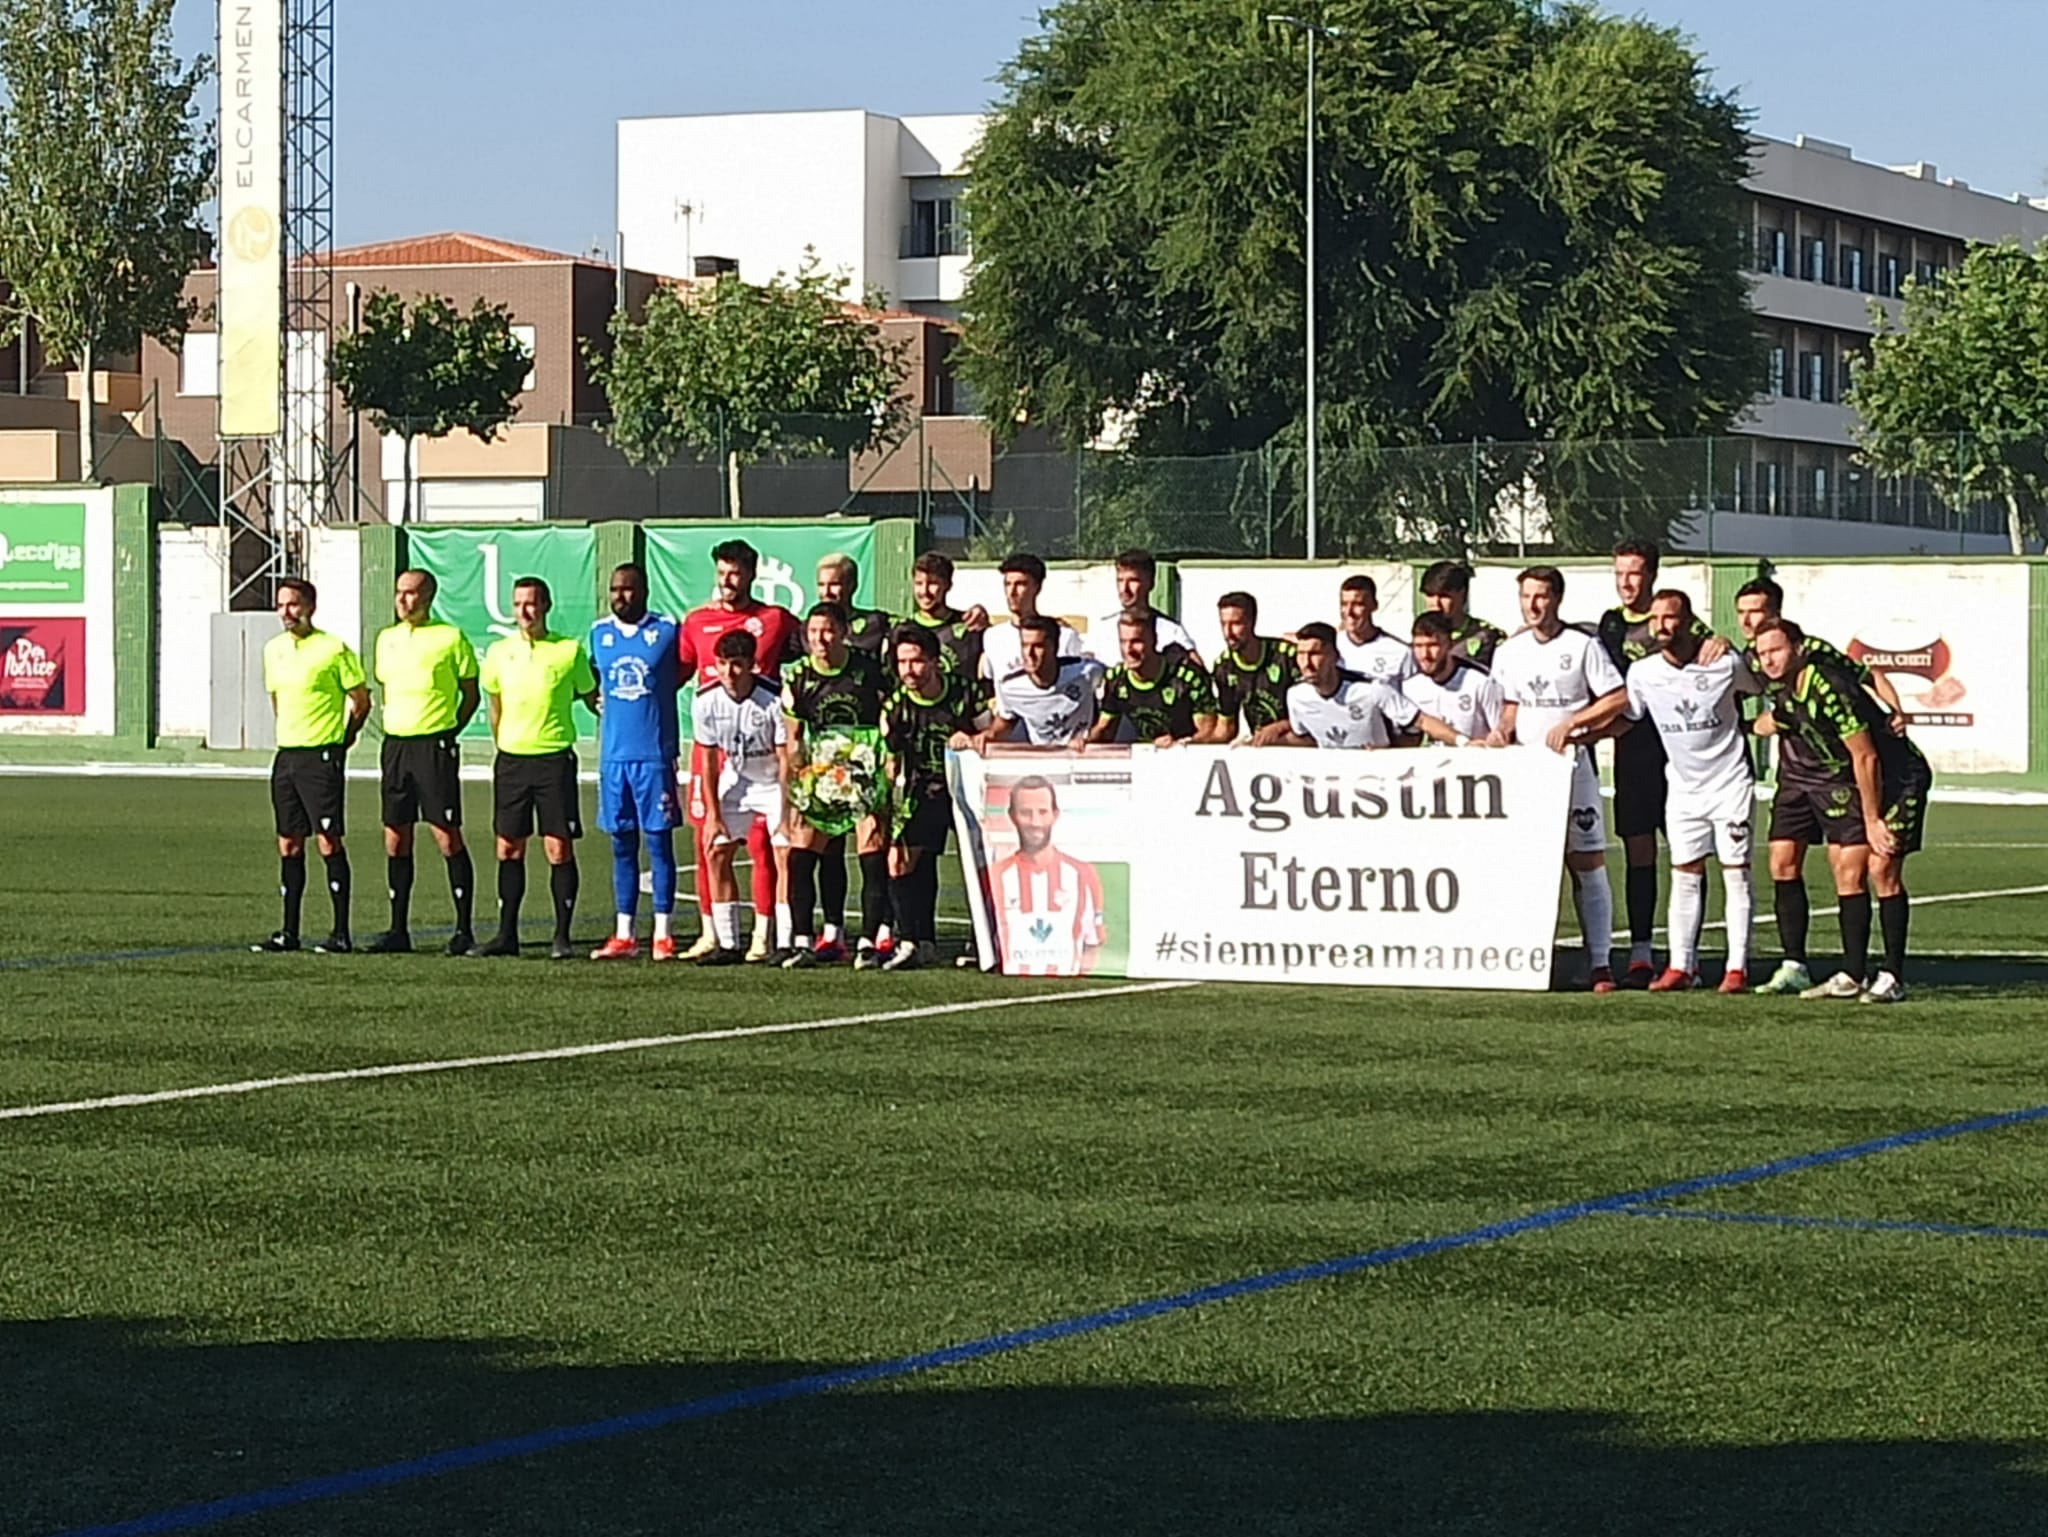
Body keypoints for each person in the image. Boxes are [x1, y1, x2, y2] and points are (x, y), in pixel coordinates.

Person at [1733, 576, 1909, 995]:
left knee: (1858, 869)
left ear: (1778, 616)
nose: (1747, 620)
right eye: (1741, 613)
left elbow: (1869, 680)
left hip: (1840, 774)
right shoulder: (1750, 658)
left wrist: (1896, 710)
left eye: (1755, 612)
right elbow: (1774, 713)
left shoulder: (1819, 664)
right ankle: (1795, 963)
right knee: (1781, 862)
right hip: (1795, 776)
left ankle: (1865, 971)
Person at [1606, 590, 1762, 994]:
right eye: (1655, 618)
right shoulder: (1643, 672)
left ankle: (1736, 968)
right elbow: (1629, 717)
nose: (1660, 625)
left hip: (1730, 783)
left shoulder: (1725, 664)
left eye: (1669, 618)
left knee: (1735, 874)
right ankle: (1681, 965)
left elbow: (1761, 687)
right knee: (1685, 874)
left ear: (1689, 621)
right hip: (1682, 788)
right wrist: (1581, 733)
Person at [1596, 538, 1729, 986]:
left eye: (1633, 573)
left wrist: (1722, 641)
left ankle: (1685, 956)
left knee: (1688, 855)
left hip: (1680, 756)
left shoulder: (1678, 623)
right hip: (1632, 753)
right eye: (1619, 574)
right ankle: (1639, 951)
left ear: (1652, 574)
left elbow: (1714, 652)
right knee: (1638, 853)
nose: (1625, 582)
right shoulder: (1611, 625)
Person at [1491, 566, 1628, 992]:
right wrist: (1501, 732)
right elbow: (1511, 703)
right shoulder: (1510, 651)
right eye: (1526, 596)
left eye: (1541, 596)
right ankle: (1531, 957)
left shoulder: (1582, 646)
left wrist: (1574, 723)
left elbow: (1618, 697)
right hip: (1526, 771)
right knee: (1528, 864)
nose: (1532, 605)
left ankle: (1601, 962)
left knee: (1586, 862)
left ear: (1557, 599)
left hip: (1573, 770)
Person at [677, 539, 803, 961]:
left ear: (751, 574)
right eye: (721, 572)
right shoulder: (696, 623)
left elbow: (822, 641)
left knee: (778, 850)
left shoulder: (776, 619)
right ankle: (721, 938)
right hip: (727, 759)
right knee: (711, 844)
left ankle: (776, 937)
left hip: (770, 756)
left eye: (735, 573)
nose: (727, 581)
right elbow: (675, 671)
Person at [475, 577, 596, 960]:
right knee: (508, 847)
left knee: (557, 848)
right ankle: (506, 934)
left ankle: (562, 936)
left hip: (553, 761)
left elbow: (592, 695)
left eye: (531, 603)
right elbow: (494, 706)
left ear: (546, 605)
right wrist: (504, 745)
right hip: (512, 761)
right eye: (517, 604)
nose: (524, 611)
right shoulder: (498, 653)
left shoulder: (568, 651)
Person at [365, 569, 479, 955]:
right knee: (396, 836)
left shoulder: (450, 638)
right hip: (396, 747)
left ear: (427, 596)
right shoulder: (386, 640)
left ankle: (464, 928)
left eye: (411, 593)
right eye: (399, 593)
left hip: (434, 747)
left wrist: (449, 731)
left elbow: (471, 692)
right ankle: (398, 929)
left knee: (446, 834)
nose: (403, 600)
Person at [255, 576, 369, 953]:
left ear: (310, 607)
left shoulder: (333, 649)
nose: (286, 612)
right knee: (288, 843)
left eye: (293, 604)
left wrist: (344, 738)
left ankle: (340, 933)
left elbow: (360, 699)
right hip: (287, 756)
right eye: (281, 604)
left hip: (321, 756)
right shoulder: (273, 649)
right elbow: (277, 699)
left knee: (328, 840)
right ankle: (289, 931)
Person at [781, 601, 889, 968]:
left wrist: (886, 771)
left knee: (871, 850)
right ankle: (801, 941)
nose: (820, 639)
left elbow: (888, 718)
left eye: (827, 631)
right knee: (801, 853)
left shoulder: (868, 669)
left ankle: (869, 942)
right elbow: (794, 739)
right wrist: (796, 793)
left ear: (843, 632)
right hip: (823, 775)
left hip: (864, 769)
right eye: (813, 632)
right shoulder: (798, 677)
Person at [588, 563, 684, 963]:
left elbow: (684, 669)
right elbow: (591, 681)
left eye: (627, 589)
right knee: (621, 845)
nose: (620, 596)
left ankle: (663, 931)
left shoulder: (667, 630)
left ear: (643, 591)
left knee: (659, 844)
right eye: (614, 590)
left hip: (654, 758)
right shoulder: (598, 634)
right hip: (614, 759)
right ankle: (624, 932)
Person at [883, 624, 987, 972]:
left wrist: (974, 738)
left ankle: (984, 938)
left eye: (916, 661)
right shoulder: (896, 706)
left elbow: (998, 728)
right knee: (902, 861)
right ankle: (914, 940)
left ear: (934, 662)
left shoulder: (965, 693)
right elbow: (891, 758)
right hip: (922, 789)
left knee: (981, 860)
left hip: (968, 790)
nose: (909, 670)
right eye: (902, 662)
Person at [690, 629, 797, 966]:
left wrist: (786, 805)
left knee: (785, 857)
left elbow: (785, 759)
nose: (729, 673)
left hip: (773, 784)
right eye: (722, 664)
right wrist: (713, 813)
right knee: (716, 851)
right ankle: (728, 942)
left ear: (753, 665)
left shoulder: (775, 700)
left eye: (737, 665)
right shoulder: (706, 700)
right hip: (737, 783)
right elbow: (707, 760)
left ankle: (783, 941)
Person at [985, 775, 1106, 977]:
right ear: (1012, 816)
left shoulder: (1083, 873)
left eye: (1042, 812)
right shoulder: (995, 876)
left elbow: (1093, 942)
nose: (1035, 822)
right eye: (1026, 813)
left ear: (1055, 815)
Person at [1278, 621, 1464, 749]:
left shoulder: (1372, 689)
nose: (1306, 663)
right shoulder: (1296, 695)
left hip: (1377, 781)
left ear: (1335, 656)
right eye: (1301, 654)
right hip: (1333, 787)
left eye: (1314, 654)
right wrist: (1263, 743)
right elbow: (1306, 740)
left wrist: (1463, 742)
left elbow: (1421, 721)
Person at [1089, 609, 1219, 745]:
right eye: (1123, 642)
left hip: (1187, 759)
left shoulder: (1187, 679)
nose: (1128, 650)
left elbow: (1209, 733)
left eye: (1136, 642)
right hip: (1143, 760)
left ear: (1154, 640)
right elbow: (1104, 730)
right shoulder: (1116, 679)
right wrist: (1084, 740)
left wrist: (1178, 743)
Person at [981, 614, 1105, 747]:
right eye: (1025, 645)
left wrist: (1093, 735)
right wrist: (981, 738)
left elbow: (1112, 693)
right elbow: (1005, 722)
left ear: (1054, 647)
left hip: (1085, 757)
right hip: (1043, 758)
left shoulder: (1085, 672)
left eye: (1038, 646)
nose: (1030, 653)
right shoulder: (1010, 686)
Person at [1402, 610, 1507, 744]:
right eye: (1418, 646)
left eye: (1433, 645)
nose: (1425, 655)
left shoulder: (1480, 682)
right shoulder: (1411, 688)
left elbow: (1500, 735)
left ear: (1450, 645)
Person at [981, 551, 1084, 682]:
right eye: (1007, 584)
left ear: (1037, 587)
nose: (1012, 592)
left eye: (1020, 584)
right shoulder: (993, 637)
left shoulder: (1064, 636)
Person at [1210, 591, 1296, 745]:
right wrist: (1191, 742)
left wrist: (1279, 727)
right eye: (1223, 624)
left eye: (1236, 624)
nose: (1228, 633)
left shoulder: (1286, 656)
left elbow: (1316, 715)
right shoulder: (1224, 667)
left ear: (1252, 622)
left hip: (1299, 744)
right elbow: (1226, 729)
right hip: (1261, 748)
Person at [901, 550, 987, 683]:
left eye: (933, 583)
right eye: (919, 583)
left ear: (948, 585)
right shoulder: (901, 631)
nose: (924, 591)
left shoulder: (970, 627)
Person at [1100, 548, 1198, 660]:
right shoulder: (1102, 629)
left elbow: (1197, 669)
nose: (1124, 589)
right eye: (1120, 580)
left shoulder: (1171, 631)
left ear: (1151, 583)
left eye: (1133, 580)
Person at [1417, 560, 1508, 669]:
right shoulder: (1420, 635)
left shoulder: (1489, 637)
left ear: (1462, 594)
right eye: (1430, 595)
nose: (1436, 604)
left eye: (1444, 596)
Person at [1335, 573, 1414, 682]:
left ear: (1374, 605)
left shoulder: (1401, 652)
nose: (1349, 612)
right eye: (1344, 604)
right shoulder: (1330, 646)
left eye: (1358, 604)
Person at [815, 553, 893, 657]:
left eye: (834, 584)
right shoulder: (805, 630)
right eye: (821, 585)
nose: (826, 592)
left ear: (852, 585)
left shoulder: (876, 623)